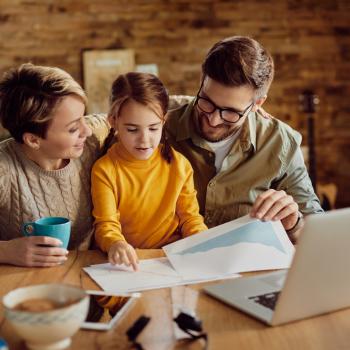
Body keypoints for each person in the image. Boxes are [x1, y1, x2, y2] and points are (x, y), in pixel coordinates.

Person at [165, 36, 323, 242]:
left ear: (258, 104)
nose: (212, 120)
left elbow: (317, 232)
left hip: (247, 271)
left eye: (230, 112)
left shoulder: (280, 142)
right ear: (201, 82)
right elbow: (112, 120)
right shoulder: (158, 123)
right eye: (206, 102)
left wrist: (294, 223)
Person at [91, 72, 207, 270]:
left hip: (172, 259)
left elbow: (191, 219)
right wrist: (115, 244)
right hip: (129, 263)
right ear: (113, 121)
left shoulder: (179, 165)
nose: (144, 140)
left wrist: (204, 241)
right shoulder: (105, 170)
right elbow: (106, 224)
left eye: (153, 128)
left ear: (164, 121)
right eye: (132, 130)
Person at [0, 63, 109, 267]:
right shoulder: (4, 169)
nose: (86, 131)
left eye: (83, 118)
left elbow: (145, 107)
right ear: (33, 140)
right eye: (73, 128)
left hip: (86, 271)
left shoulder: (92, 140)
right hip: (21, 281)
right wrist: (5, 251)